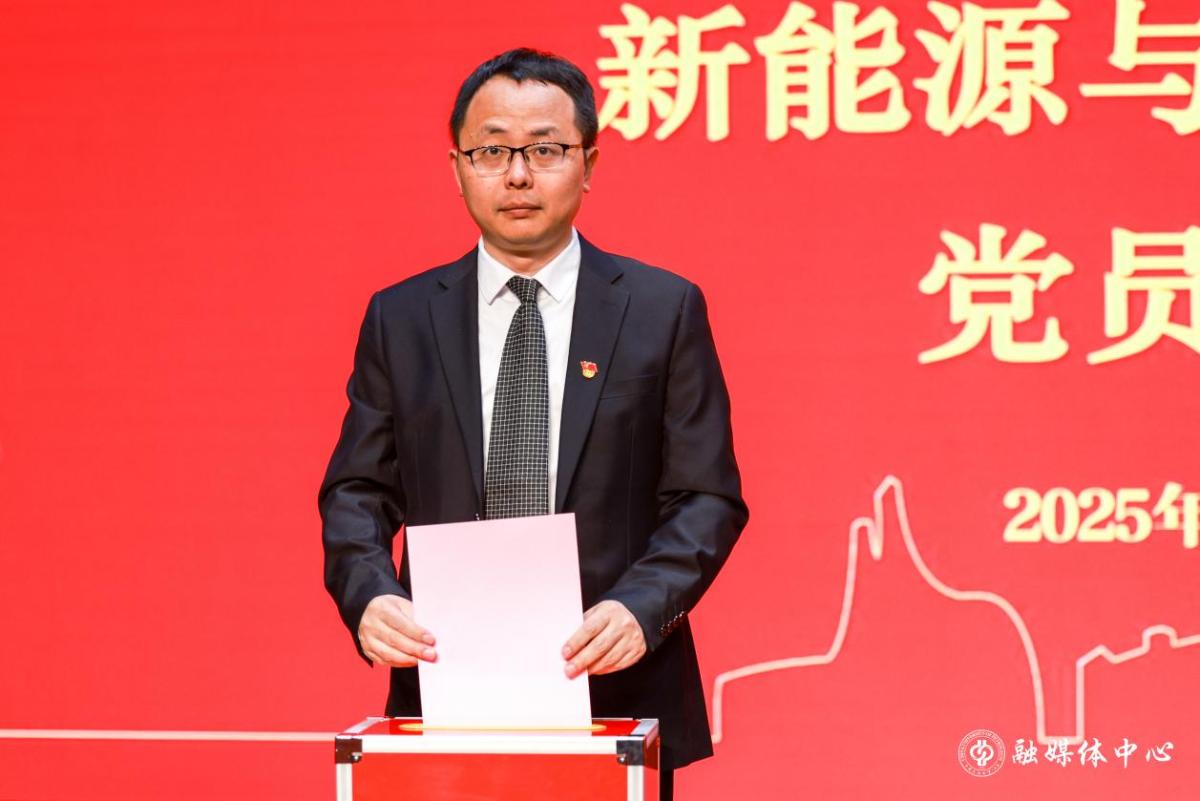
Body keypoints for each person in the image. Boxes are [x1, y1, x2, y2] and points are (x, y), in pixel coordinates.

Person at [318, 47, 748, 798]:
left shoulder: (662, 309)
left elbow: (706, 496)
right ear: (457, 168)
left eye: (545, 150)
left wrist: (640, 609)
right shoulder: (401, 317)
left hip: (617, 685)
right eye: (492, 151)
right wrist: (369, 593)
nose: (517, 175)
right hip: (444, 688)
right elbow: (357, 489)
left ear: (589, 162)